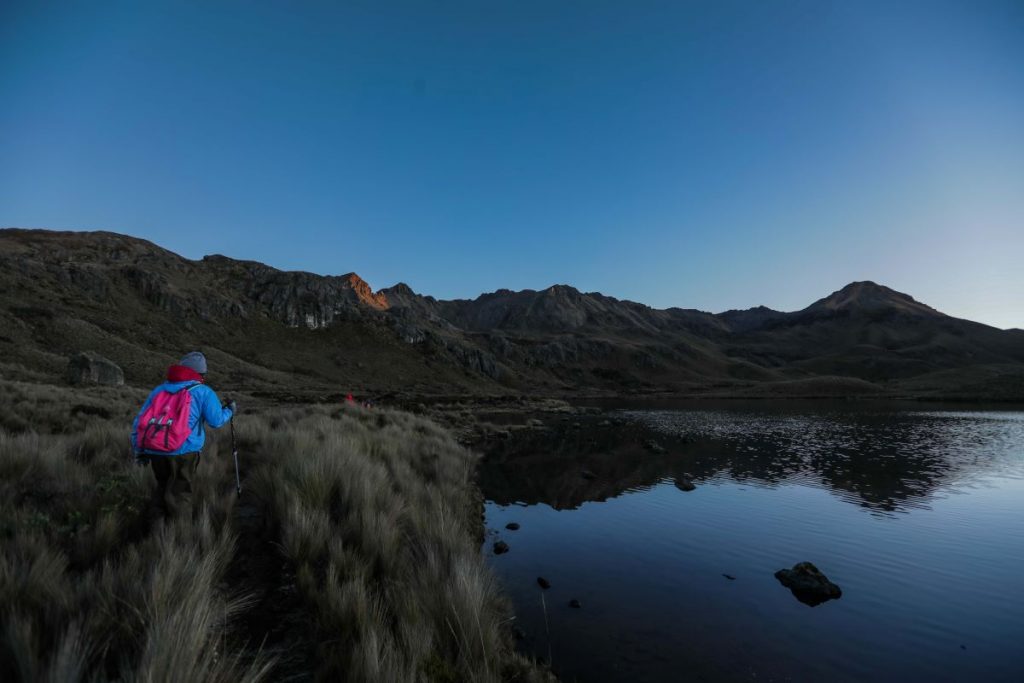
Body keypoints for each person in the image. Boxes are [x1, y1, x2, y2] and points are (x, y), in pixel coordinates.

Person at [131, 351, 235, 518]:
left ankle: (155, 532)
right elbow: (216, 421)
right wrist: (229, 411)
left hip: (155, 450)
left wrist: (139, 449)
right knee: (180, 495)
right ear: (201, 373)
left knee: (161, 489)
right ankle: (180, 535)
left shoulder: (159, 390)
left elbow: (140, 421)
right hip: (184, 452)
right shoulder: (204, 392)